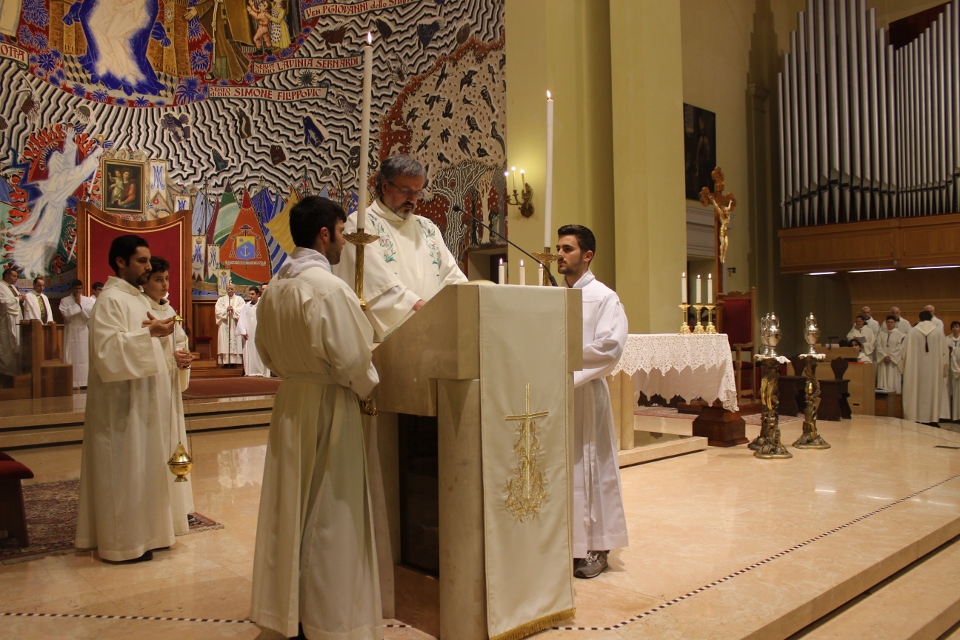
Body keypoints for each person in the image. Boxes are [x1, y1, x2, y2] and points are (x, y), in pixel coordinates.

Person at [250, 196, 381, 638]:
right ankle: (328, 618)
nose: (344, 242)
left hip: (291, 402)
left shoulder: (274, 287)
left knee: (291, 508)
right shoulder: (328, 289)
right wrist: (369, 387)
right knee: (331, 511)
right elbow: (353, 360)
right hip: (329, 404)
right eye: (342, 233)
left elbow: (265, 352)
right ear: (325, 234)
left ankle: (288, 612)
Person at [76, 235, 188, 563]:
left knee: (146, 471)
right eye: (142, 261)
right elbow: (106, 352)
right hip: (121, 404)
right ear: (120, 262)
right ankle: (122, 544)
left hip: (148, 400)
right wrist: (149, 334)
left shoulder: (139, 299)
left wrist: (170, 350)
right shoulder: (110, 300)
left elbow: (152, 345)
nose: (149, 267)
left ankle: (151, 534)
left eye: (149, 260)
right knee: (124, 472)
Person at [555, 224, 628, 579]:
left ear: (587, 256)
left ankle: (598, 547)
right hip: (556, 395)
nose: (559, 254)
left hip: (585, 392)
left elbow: (610, 348)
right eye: (558, 248)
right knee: (563, 470)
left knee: (594, 469)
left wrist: (563, 368)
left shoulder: (604, 297)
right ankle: (566, 544)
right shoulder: (552, 296)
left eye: (567, 249)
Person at [332, 154, 467, 340]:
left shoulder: (427, 227)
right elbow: (375, 281)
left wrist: (466, 300)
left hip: (433, 331)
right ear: (385, 187)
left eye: (417, 193)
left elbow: (451, 276)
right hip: (388, 340)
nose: (412, 199)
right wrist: (419, 307)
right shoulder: (361, 225)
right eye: (405, 191)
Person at [141, 256, 195, 534]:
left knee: (175, 443)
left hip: (170, 386)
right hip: (152, 387)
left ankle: (179, 507)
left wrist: (183, 358)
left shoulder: (170, 308)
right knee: (158, 445)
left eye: (166, 279)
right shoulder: (140, 308)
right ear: (145, 281)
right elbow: (142, 347)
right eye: (158, 279)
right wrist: (170, 355)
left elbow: (180, 340)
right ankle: (160, 509)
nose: (164, 285)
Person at [901, 310, 948, 426]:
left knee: (914, 390)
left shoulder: (912, 332)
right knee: (933, 391)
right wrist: (944, 370)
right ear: (931, 319)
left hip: (914, 371)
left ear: (919, 319)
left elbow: (903, 352)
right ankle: (932, 418)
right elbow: (945, 353)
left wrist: (902, 367)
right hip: (933, 371)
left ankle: (914, 417)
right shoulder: (938, 333)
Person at [59, 279, 95, 388]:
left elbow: (89, 316)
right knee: (71, 357)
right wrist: (78, 306)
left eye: (80, 288)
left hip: (83, 330)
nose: (78, 291)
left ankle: (84, 382)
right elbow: (66, 315)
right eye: (76, 288)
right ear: (72, 289)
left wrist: (79, 306)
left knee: (84, 357)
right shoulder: (65, 300)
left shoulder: (87, 300)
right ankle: (71, 382)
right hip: (71, 331)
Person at [237, 286, 270, 377]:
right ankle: (250, 371)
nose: (250, 296)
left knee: (260, 351)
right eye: (250, 294)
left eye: (252, 294)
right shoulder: (246, 306)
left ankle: (262, 371)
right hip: (249, 334)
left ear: (257, 294)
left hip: (259, 332)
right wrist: (243, 331)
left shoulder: (262, 305)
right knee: (250, 352)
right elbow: (241, 319)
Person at [0, 266, 25, 376]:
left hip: (16, 319)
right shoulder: (0, 286)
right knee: (6, 346)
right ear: (6, 276)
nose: (16, 278)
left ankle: (15, 371)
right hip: (6, 321)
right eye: (14, 276)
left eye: (17, 277)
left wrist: (21, 299)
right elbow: (3, 303)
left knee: (17, 345)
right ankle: (6, 373)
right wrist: (17, 299)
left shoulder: (12, 287)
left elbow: (15, 301)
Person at [215, 282, 245, 365]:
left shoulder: (240, 299)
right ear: (226, 289)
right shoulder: (221, 300)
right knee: (224, 343)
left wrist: (234, 309)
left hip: (235, 323)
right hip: (224, 324)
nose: (230, 290)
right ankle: (225, 362)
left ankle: (235, 362)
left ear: (235, 289)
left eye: (231, 289)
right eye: (228, 289)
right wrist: (226, 310)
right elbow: (217, 311)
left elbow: (243, 310)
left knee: (235, 342)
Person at [876, 315, 905, 394]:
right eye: (888, 322)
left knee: (893, 378)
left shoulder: (899, 335)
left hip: (893, 361)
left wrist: (891, 357)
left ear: (895, 323)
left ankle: (895, 395)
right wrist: (884, 356)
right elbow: (878, 346)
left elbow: (899, 348)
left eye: (892, 322)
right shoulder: (881, 334)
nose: (890, 324)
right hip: (883, 360)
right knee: (883, 378)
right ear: (885, 323)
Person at [948, 321, 960, 421]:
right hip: (951, 370)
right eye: (953, 327)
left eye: (957, 326)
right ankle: (954, 416)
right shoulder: (947, 339)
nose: (955, 328)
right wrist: (957, 371)